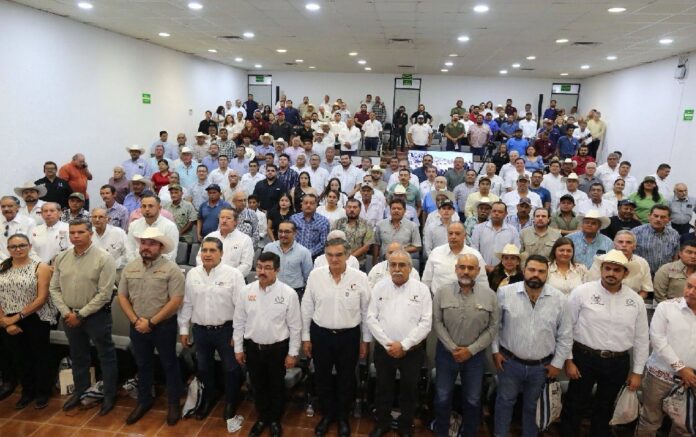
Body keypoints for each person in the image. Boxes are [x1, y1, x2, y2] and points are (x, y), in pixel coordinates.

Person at [561, 250, 649, 437]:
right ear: (601, 269)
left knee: (605, 406)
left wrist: (637, 372)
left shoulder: (635, 300)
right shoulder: (582, 292)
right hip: (583, 358)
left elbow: (642, 338)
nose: (611, 273)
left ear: (625, 273)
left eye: (617, 270)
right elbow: (567, 327)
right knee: (575, 403)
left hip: (618, 362)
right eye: (607, 268)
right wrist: (568, 360)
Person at [493, 255, 573, 437]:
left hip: (542, 367)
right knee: (504, 403)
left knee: (533, 407)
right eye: (532, 270)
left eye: (541, 271)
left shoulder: (560, 299)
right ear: (524, 271)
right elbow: (495, 326)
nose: (536, 274)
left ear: (547, 274)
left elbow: (565, 335)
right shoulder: (505, 293)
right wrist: (495, 352)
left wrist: (557, 363)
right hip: (509, 363)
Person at [302, 238, 370, 437]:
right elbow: (307, 307)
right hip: (321, 334)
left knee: (346, 378)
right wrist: (306, 337)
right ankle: (327, 415)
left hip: (349, 336)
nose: (334, 259)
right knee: (322, 377)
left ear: (347, 255)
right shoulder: (315, 276)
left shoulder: (360, 277)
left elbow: (366, 311)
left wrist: (365, 340)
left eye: (339, 255)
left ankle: (342, 417)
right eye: (329, 255)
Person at [49, 219, 118, 416]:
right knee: (78, 355)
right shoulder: (62, 257)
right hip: (69, 315)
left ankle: (109, 394)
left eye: (80, 232)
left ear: (91, 234)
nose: (76, 236)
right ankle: (80, 390)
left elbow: (105, 294)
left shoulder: (104, 258)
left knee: (106, 355)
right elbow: (54, 288)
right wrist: (66, 312)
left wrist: (81, 314)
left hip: (96, 316)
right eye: (72, 233)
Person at [117, 228, 185, 426]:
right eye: (143, 243)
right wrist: (135, 320)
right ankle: (144, 401)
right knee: (143, 364)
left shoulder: (172, 270)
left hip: (163, 326)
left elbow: (176, 300)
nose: (146, 247)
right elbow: (122, 296)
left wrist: (152, 322)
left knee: (169, 364)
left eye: (152, 243)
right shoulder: (130, 268)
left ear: (161, 247)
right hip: (137, 325)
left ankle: (173, 403)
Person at [233, 252, 301, 437]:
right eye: (259, 267)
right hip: (253, 348)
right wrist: (238, 348)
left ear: (277, 270)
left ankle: (275, 420)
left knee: (276, 386)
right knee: (258, 385)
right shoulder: (246, 291)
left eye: (267, 268)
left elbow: (295, 327)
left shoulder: (288, 293)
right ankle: (262, 418)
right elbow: (239, 322)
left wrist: (293, 353)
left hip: (278, 350)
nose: (262, 271)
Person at [366, 250, 432, 437]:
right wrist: (389, 344)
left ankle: (405, 425)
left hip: (412, 351)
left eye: (402, 265)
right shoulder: (379, 287)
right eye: (393, 265)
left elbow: (426, 323)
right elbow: (371, 318)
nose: (397, 268)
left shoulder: (422, 290)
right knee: (383, 388)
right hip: (384, 349)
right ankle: (382, 423)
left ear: (410, 268)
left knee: (409, 389)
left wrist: (404, 345)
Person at [178, 237, 245, 421]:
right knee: (203, 368)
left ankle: (231, 401)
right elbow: (187, 303)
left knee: (231, 368)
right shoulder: (193, 274)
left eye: (212, 250)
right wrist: (184, 329)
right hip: (201, 330)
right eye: (204, 250)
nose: (207, 254)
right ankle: (208, 398)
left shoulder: (233, 275)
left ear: (221, 253)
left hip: (226, 330)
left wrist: (238, 335)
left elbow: (242, 308)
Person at [432, 254, 498, 437]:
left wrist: (471, 350)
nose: (466, 271)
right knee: (442, 397)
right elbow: (437, 322)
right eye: (462, 267)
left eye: (471, 268)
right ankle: (442, 433)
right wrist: (453, 348)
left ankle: (469, 433)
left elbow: (493, 327)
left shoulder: (490, 295)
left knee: (473, 399)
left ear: (478, 271)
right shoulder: (442, 292)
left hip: (475, 357)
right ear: (456, 269)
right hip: (446, 354)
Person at [634, 273, 696, 436]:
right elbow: (658, 340)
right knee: (650, 420)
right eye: (689, 286)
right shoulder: (667, 307)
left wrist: (690, 373)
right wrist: (681, 368)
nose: (691, 292)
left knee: (685, 425)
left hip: (692, 380)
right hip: (660, 377)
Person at [0, 234, 55, 410]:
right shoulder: (2, 267)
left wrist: (16, 318)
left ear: (30, 246)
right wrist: (5, 321)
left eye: (22, 245)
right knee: (19, 358)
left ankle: (42, 392)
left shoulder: (41, 267)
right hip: (7, 319)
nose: (18, 249)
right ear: (8, 249)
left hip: (35, 317)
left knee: (39, 357)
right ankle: (27, 392)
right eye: (13, 246)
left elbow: (42, 298)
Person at [586, 230, 654, 298]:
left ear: (634, 246)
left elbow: (645, 290)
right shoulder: (601, 260)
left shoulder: (642, 263)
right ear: (614, 245)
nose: (624, 245)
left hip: (631, 300)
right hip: (602, 299)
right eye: (620, 242)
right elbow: (590, 285)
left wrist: (634, 302)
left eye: (628, 242)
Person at [422, 222, 488, 293]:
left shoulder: (475, 255)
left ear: (465, 236)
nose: (453, 236)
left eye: (457, 233)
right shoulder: (436, 253)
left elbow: (482, 282)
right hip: (438, 298)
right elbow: (426, 280)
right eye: (450, 233)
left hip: (468, 298)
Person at [197, 207, 254, 277]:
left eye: (228, 218)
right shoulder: (210, 236)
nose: (224, 221)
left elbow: (246, 265)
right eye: (222, 218)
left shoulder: (245, 239)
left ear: (236, 222)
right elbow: (199, 258)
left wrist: (227, 277)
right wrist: (208, 273)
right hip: (209, 277)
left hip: (233, 280)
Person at [263, 220, 313, 297]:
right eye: (280, 231)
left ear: (295, 233)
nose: (283, 235)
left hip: (295, 292)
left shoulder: (304, 252)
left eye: (287, 232)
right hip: (271, 290)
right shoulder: (269, 248)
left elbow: (308, 276)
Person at [125, 194, 179, 262]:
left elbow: (171, 254)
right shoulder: (134, 225)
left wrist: (149, 265)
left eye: (150, 206)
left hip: (162, 266)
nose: (147, 209)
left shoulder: (170, 226)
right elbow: (129, 250)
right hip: (137, 265)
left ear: (159, 208)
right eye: (144, 206)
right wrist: (137, 265)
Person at [471, 201, 520, 270]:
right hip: (481, 269)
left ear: (506, 214)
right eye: (494, 211)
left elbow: (516, 251)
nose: (496, 213)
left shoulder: (512, 231)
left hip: (504, 271)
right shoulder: (479, 228)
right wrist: (484, 266)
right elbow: (474, 249)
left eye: (500, 212)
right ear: (490, 212)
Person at [633, 204, 680, 275]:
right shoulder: (636, 232)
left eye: (663, 217)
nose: (658, 219)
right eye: (655, 216)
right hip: (643, 274)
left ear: (669, 220)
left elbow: (675, 257)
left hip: (666, 275)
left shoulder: (674, 234)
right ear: (649, 216)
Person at [332, 198, 374, 267]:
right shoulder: (338, 223)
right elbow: (332, 242)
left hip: (359, 263)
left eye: (355, 207)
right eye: (349, 207)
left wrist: (349, 258)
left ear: (360, 209)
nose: (352, 210)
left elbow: (366, 246)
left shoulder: (367, 225)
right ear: (345, 208)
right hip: (338, 262)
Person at [291, 194, 330, 258]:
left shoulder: (323, 221)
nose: (308, 205)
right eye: (306, 203)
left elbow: (323, 243)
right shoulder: (294, 219)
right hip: (294, 254)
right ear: (302, 204)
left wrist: (308, 253)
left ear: (316, 205)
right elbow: (290, 237)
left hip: (315, 257)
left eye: (311, 203)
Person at [90, 208, 128, 274]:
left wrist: (112, 265)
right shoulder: (88, 233)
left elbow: (127, 253)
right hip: (93, 272)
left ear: (108, 219)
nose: (97, 220)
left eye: (101, 217)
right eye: (94, 217)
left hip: (116, 271)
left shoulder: (119, 232)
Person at [0, 196, 36, 262]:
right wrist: (5, 260)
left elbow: (31, 245)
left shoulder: (29, 222)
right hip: (2, 261)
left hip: (23, 261)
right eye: (3, 206)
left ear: (18, 207)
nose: (6, 209)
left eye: (10, 206)